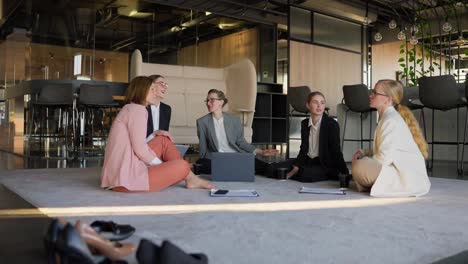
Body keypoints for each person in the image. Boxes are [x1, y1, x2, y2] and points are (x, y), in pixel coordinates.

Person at [101, 76, 214, 192]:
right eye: (152, 89)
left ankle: (190, 178)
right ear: (141, 91)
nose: (156, 93)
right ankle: (190, 177)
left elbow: (134, 144)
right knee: (183, 166)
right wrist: (161, 166)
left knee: (162, 140)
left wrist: (153, 135)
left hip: (119, 173)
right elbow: (140, 149)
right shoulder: (138, 110)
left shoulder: (130, 108)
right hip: (127, 179)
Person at [352, 79, 430, 197]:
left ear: (388, 100)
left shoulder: (391, 120)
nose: (371, 95)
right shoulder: (386, 118)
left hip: (407, 178)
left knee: (359, 167)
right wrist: (364, 153)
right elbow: (385, 149)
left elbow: (383, 159)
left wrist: (363, 164)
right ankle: (368, 180)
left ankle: (369, 181)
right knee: (360, 164)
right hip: (396, 170)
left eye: (375, 93)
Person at [196, 89, 278, 174]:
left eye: (212, 100)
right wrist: (202, 161)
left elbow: (241, 142)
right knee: (200, 165)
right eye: (207, 100)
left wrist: (261, 151)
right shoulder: (202, 122)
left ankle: (289, 168)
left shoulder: (234, 120)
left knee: (265, 167)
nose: (208, 103)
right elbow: (203, 147)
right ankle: (236, 169)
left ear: (221, 102)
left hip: (235, 155)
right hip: (217, 158)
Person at [286, 91, 349, 182]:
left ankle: (326, 174)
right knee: (276, 167)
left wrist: (345, 173)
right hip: (308, 161)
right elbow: (303, 148)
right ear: (308, 105)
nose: (319, 106)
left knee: (305, 174)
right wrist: (296, 166)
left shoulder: (331, 124)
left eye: (322, 103)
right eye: (315, 102)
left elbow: (336, 151)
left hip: (324, 164)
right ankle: (295, 171)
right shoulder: (304, 123)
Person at [146, 75, 172, 140]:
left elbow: (164, 134)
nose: (165, 87)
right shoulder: (142, 106)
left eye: (166, 84)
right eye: (161, 83)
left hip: (158, 147)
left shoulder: (167, 109)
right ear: (151, 86)